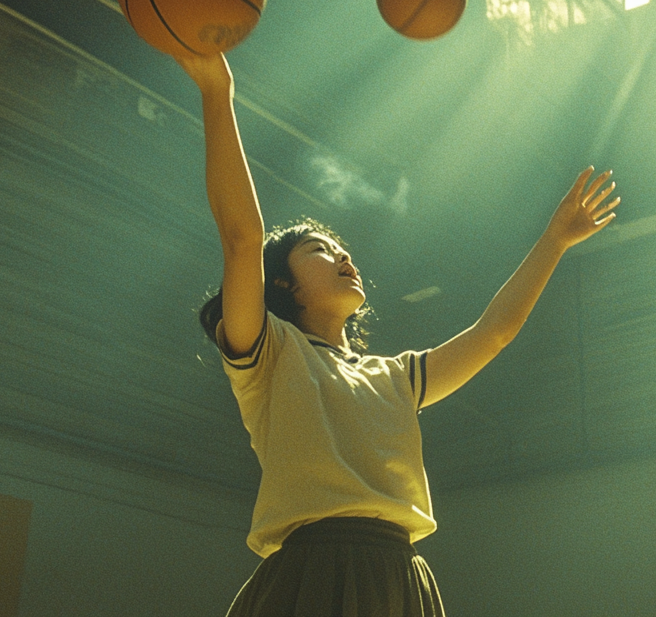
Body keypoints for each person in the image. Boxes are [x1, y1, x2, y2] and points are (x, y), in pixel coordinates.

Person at [173, 52, 619, 617]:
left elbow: (496, 332)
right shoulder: (269, 353)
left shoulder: (394, 377)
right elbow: (242, 236)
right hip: (310, 570)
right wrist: (218, 90)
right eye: (321, 249)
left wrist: (554, 240)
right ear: (282, 282)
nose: (343, 256)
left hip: (400, 575)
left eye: (344, 249)